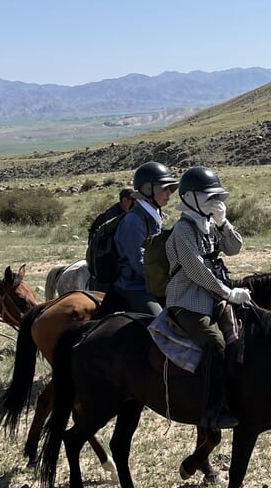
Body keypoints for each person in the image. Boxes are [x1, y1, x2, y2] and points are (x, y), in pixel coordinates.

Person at [164, 166, 249, 431]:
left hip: (214, 294)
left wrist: (223, 223)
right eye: (209, 197)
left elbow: (234, 248)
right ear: (189, 197)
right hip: (187, 301)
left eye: (217, 198)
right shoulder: (183, 229)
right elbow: (196, 270)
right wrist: (228, 293)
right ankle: (212, 410)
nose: (215, 202)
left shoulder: (209, 223)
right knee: (216, 342)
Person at [102, 161, 178, 316]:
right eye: (164, 188)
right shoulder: (133, 220)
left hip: (149, 282)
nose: (168, 193)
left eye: (169, 189)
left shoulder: (153, 216)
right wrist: (167, 280)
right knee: (160, 322)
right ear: (148, 189)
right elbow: (139, 262)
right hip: (134, 286)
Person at [87, 188, 135, 292]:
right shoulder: (114, 215)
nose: (135, 204)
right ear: (125, 200)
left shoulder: (125, 213)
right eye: (133, 201)